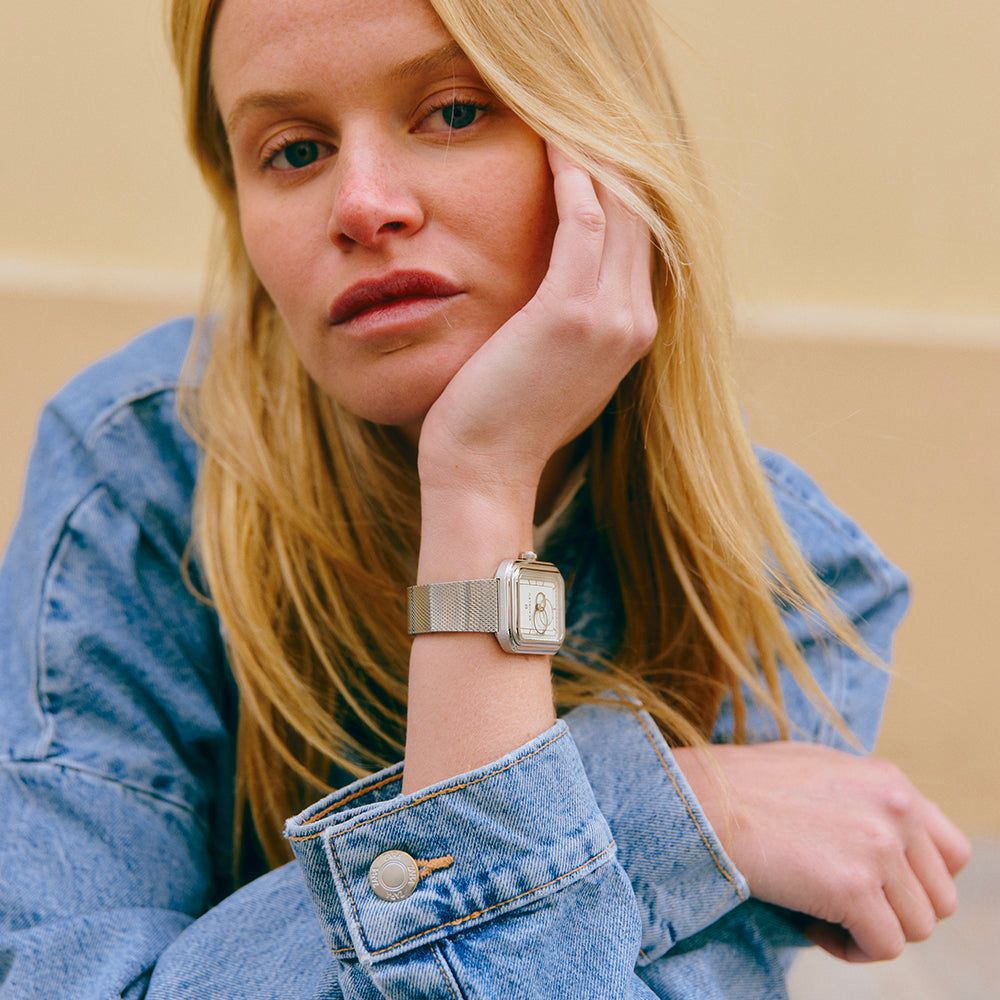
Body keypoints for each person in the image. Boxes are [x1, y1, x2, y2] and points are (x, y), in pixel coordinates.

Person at [0, 0, 970, 996]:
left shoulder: (778, 589)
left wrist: (480, 486)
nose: (363, 203)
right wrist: (663, 806)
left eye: (454, 112)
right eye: (293, 151)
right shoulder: (141, 480)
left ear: (604, 150)